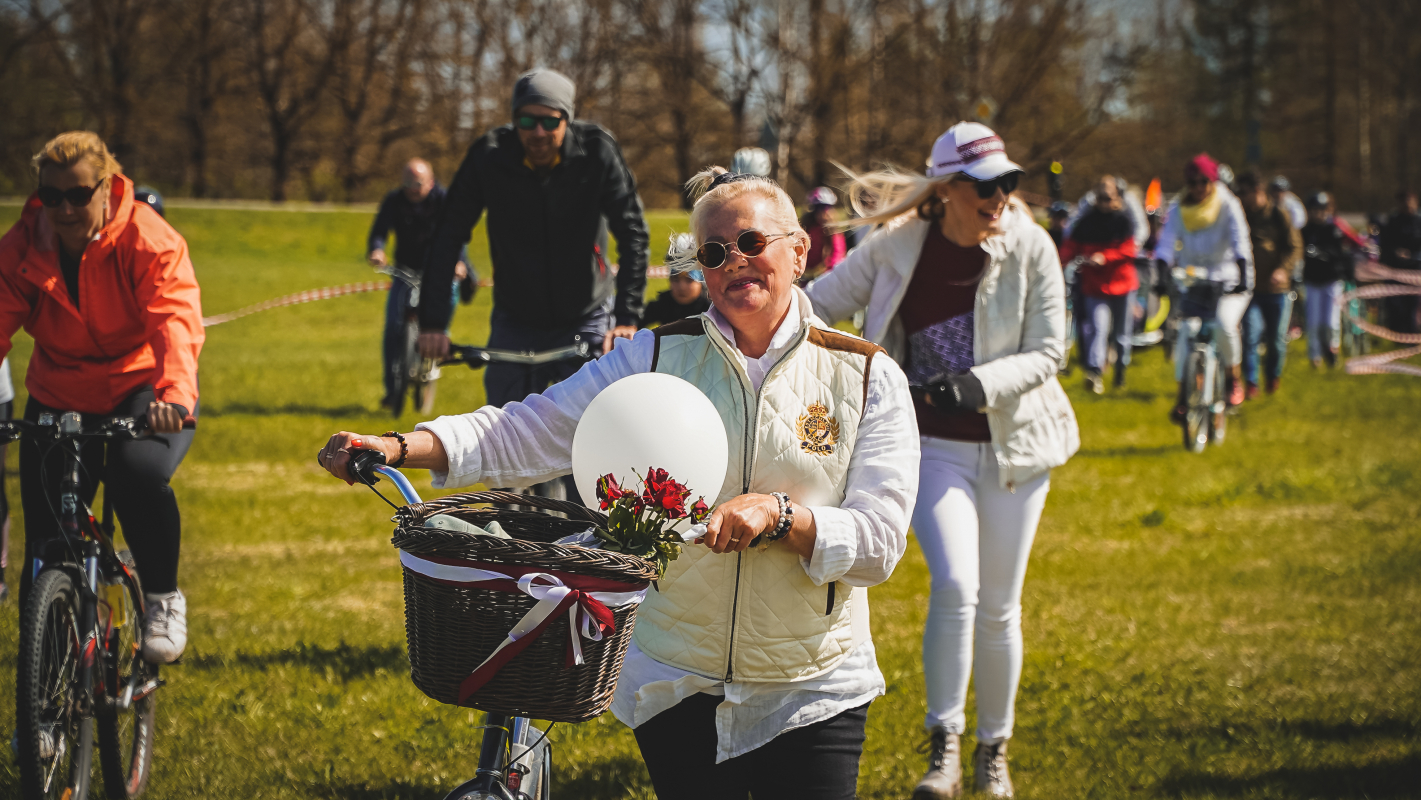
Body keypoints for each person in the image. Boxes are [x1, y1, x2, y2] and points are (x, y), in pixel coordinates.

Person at [320, 166, 920, 800]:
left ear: (798, 250)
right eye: (714, 254)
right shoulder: (655, 358)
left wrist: (781, 516)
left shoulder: (865, 376)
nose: (735, 264)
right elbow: (529, 430)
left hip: (812, 683)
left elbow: (879, 542)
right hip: (675, 677)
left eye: (751, 243)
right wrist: (397, 447)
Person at [807, 121, 1080, 799]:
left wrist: (976, 385)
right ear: (947, 190)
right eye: (985, 185)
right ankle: (945, 748)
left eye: (1007, 183)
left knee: (999, 606)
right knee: (956, 587)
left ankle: (994, 748)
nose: (1000, 197)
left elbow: (1050, 350)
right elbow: (815, 306)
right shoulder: (893, 246)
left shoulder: (1030, 246)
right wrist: (733, 295)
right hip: (932, 448)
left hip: (1017, 449)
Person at [0, 132, 202, 662]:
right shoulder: (22, 246)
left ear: (107, 188)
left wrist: (174, 396)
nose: (64, 209)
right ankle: (42, 706)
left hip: (142, 388)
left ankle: (161, 596)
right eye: (51, 196)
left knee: (137, 474)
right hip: (58, 390)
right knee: (45, 548)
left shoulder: (146, 238)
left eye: (78, 195)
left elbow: (175, 321)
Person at [416, 70, 650, 499]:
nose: (538, 132)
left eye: (550, 121)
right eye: (527, 121)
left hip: (585, 314)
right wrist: (434, 322)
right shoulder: (489, 156)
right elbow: (448, 234)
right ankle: (519, 551)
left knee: (587, 442)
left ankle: (591, 547)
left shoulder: (596, 152)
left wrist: (627, 318)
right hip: (515, 318)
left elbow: (633, 232)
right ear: (514, 122)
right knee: (504, 440)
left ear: (568, 120)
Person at [367, 158, 472, 410]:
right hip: (404, 270)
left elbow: (455, 236)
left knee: (450, 292)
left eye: (417, 183)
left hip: (438, 270)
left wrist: (457, 263)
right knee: (393, 326)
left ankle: (441, 333)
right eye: (407, 183)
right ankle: (392, 391)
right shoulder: (394, 201)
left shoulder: (444, 200)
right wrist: (377, 250)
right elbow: (379, 231)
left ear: (431, 181)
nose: (412, 189)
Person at [1154, 153, 1254, 416]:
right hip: (1194, 278)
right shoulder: (1178, 208)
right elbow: (1165, 244)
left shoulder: (1227, 204)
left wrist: (1243, 274)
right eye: (1193, 182)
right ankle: (1182, 395)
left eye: (1204, 182)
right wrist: (1161, 275)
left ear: (1212, 181)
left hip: (1229, 279)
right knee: (1186, 332)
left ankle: (1233, 379)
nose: (1199, 188)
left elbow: (1240, 239)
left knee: (1223, 324)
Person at [1060, 176, 1139, 392]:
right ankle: (1094, 372)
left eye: (1109, 198)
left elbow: (1130, 250)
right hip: (1095, 286)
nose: (1105, 203)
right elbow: (1070, 247)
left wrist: (1106, 257)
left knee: (1122, 335)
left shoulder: (1123, 221)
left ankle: (1120, 372)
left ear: (1116, 198)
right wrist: (1059, 262)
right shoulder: (1086, 222)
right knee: (1097, 328)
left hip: (1122, 284)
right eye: (1101, 198)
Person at [1236, 170, 1301, 396]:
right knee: (1250, 337)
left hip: (1277, 291)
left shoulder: (1278, 215)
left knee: (1275, 340)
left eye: (1243, 192)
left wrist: (1283, 270)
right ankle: (1251, 383)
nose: (1240, 197)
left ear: (1257, 191)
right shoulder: (1241, 215)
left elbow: (1294, 247)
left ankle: (1273, 377)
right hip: (1250, 290)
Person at [1300, 192, 1357, 368]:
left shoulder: (1334, 230)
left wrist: (1322, 254)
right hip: (1312, 281)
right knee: (1314, 321)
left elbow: (1341, 255)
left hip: (1332, 281)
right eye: (1315, 210)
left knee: (1331, 320)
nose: (1318, 214)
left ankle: (1333, 350)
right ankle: (1315, 356)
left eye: (1322, 210)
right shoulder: (1305, 231)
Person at [642, 234, 711, 326]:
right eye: (675, 279)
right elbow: (633, 322)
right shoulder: (664, 304)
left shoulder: (712, 310)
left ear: (703, 279)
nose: (681, 287)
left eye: (689, 280)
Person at [1378, 190, 1421, 334]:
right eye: (1404, 201)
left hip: (1415, 271)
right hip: (1395, 271)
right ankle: (1396, 335)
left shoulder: (1418, 221)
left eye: (1410, 201)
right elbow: (1385, 244)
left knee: (1412, 305)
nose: (1407, 205)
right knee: (1395, 305)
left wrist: (1413, 255)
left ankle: (1411, 336)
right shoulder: (1393, 221)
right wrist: (1396, 252)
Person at [800, 186, 848, 282]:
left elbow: (837, 255)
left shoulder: (833, 231)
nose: (822, 212)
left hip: (827, 278)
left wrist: (827, 272)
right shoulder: (807, 228)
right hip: (806, 276)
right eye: (818, 208)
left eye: (825, 208)